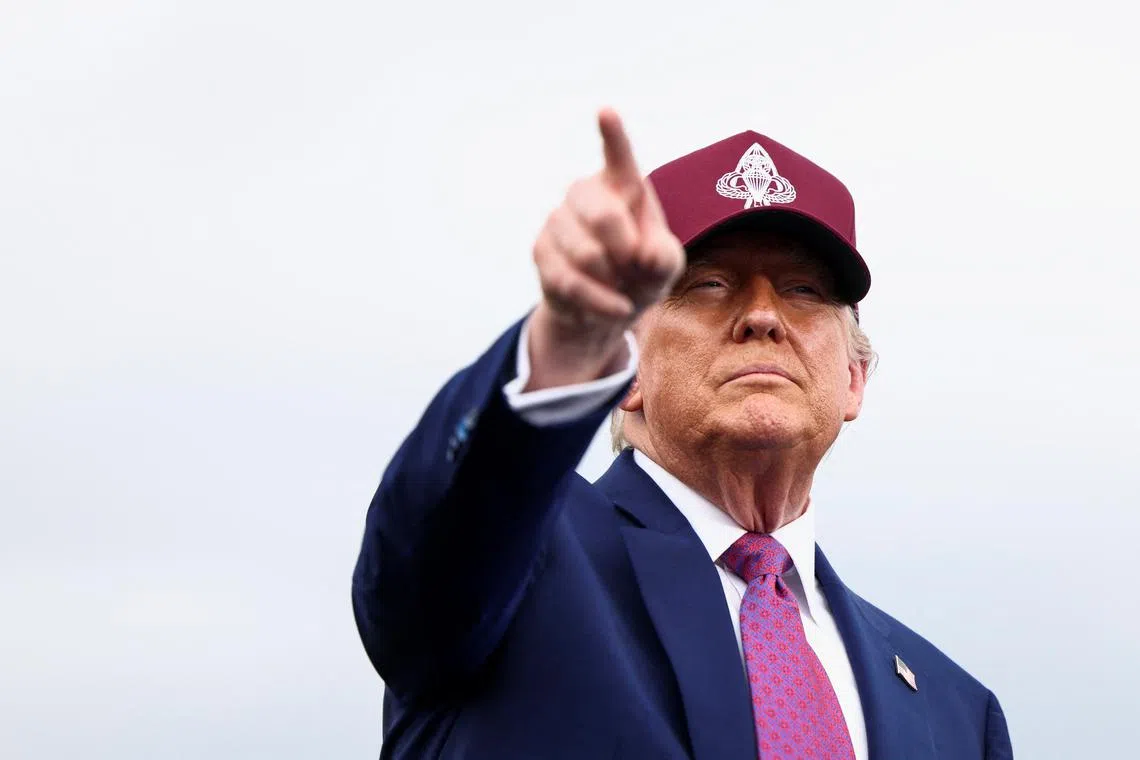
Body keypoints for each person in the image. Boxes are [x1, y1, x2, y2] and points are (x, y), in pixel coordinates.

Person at [352, 109, 1013, 759]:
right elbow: (430, 542)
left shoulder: (956, 713)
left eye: (805, 290)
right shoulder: (518, 562)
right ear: (626, 364)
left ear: (853, 379)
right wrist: (566, 341)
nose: (761, 315)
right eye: (710, 284)